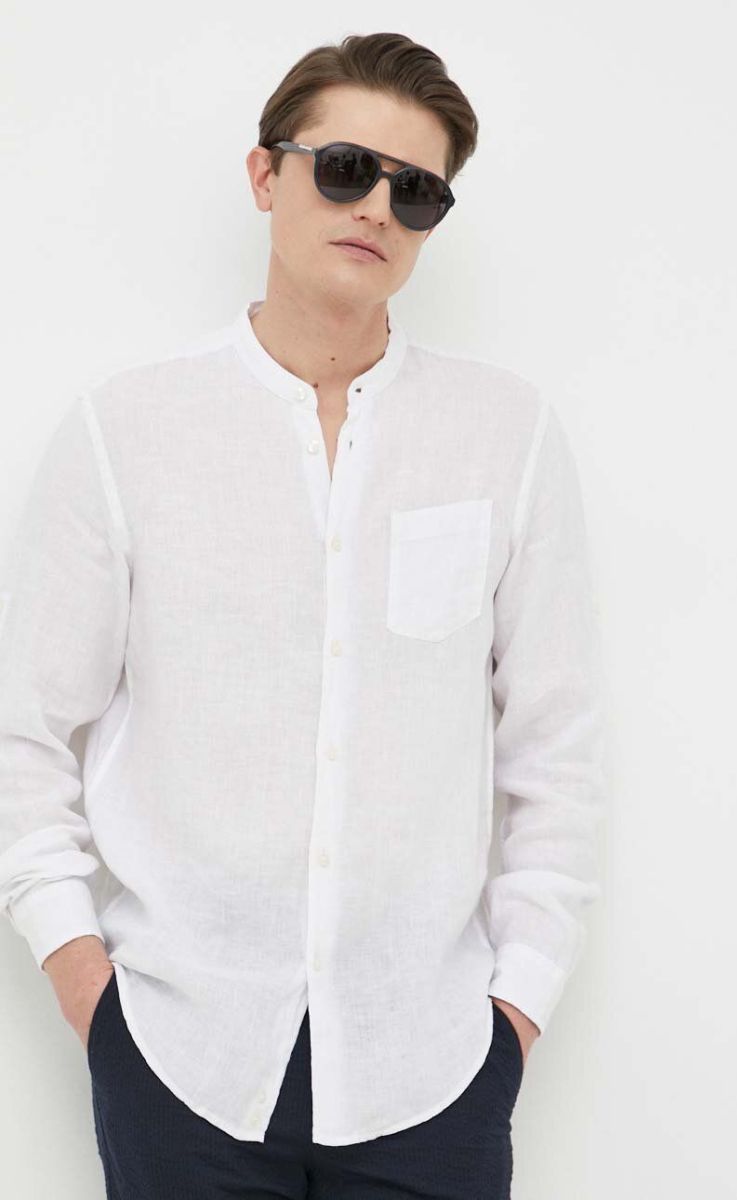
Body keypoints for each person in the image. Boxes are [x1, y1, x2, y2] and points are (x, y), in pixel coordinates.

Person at [0, 30, 606, 1200]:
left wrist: (517, 1014)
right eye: (344, 168)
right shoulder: (125, 433)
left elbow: (557, 752)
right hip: (180, 1058)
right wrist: (88, 991)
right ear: (264, 175)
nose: (376, 205)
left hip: (434, 1069)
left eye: (415, 190)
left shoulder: (507, 438)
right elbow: (22, 736)